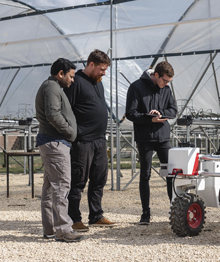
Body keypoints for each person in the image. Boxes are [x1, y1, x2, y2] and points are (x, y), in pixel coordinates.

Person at [64, 49, 116, 232]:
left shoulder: (98, 83)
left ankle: (96, 215)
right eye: (102, 69)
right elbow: (67, 110)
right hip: (83, 141)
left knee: (99, 179)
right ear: (91, 64)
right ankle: (74, 218)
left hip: (99, 140)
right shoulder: (76, 82)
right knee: (78, 180)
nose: (104, 73)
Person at [35, 58, 84, 243]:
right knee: (61, 186)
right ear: (60, 73)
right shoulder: (52, 88)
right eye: (70, 76)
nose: (72, 80)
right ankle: (63, 229)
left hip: (52, 142)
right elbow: (52, 114)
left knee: (50, 187)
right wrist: (70, 131)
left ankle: (49, 229)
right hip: (55, 142)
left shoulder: (53, 87)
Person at [125, 61, 177, 225]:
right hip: (145, 137)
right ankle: (145, 213)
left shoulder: (166, 90)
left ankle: (174, 210)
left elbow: (173, 110)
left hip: (163, 137)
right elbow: (131, 113)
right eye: (165, 80)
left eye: (169, 81)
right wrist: (149, 117)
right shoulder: (136, 87)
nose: (166, 84)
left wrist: (161, 113)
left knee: (170, 173)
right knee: (145, 174)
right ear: (156, 75)